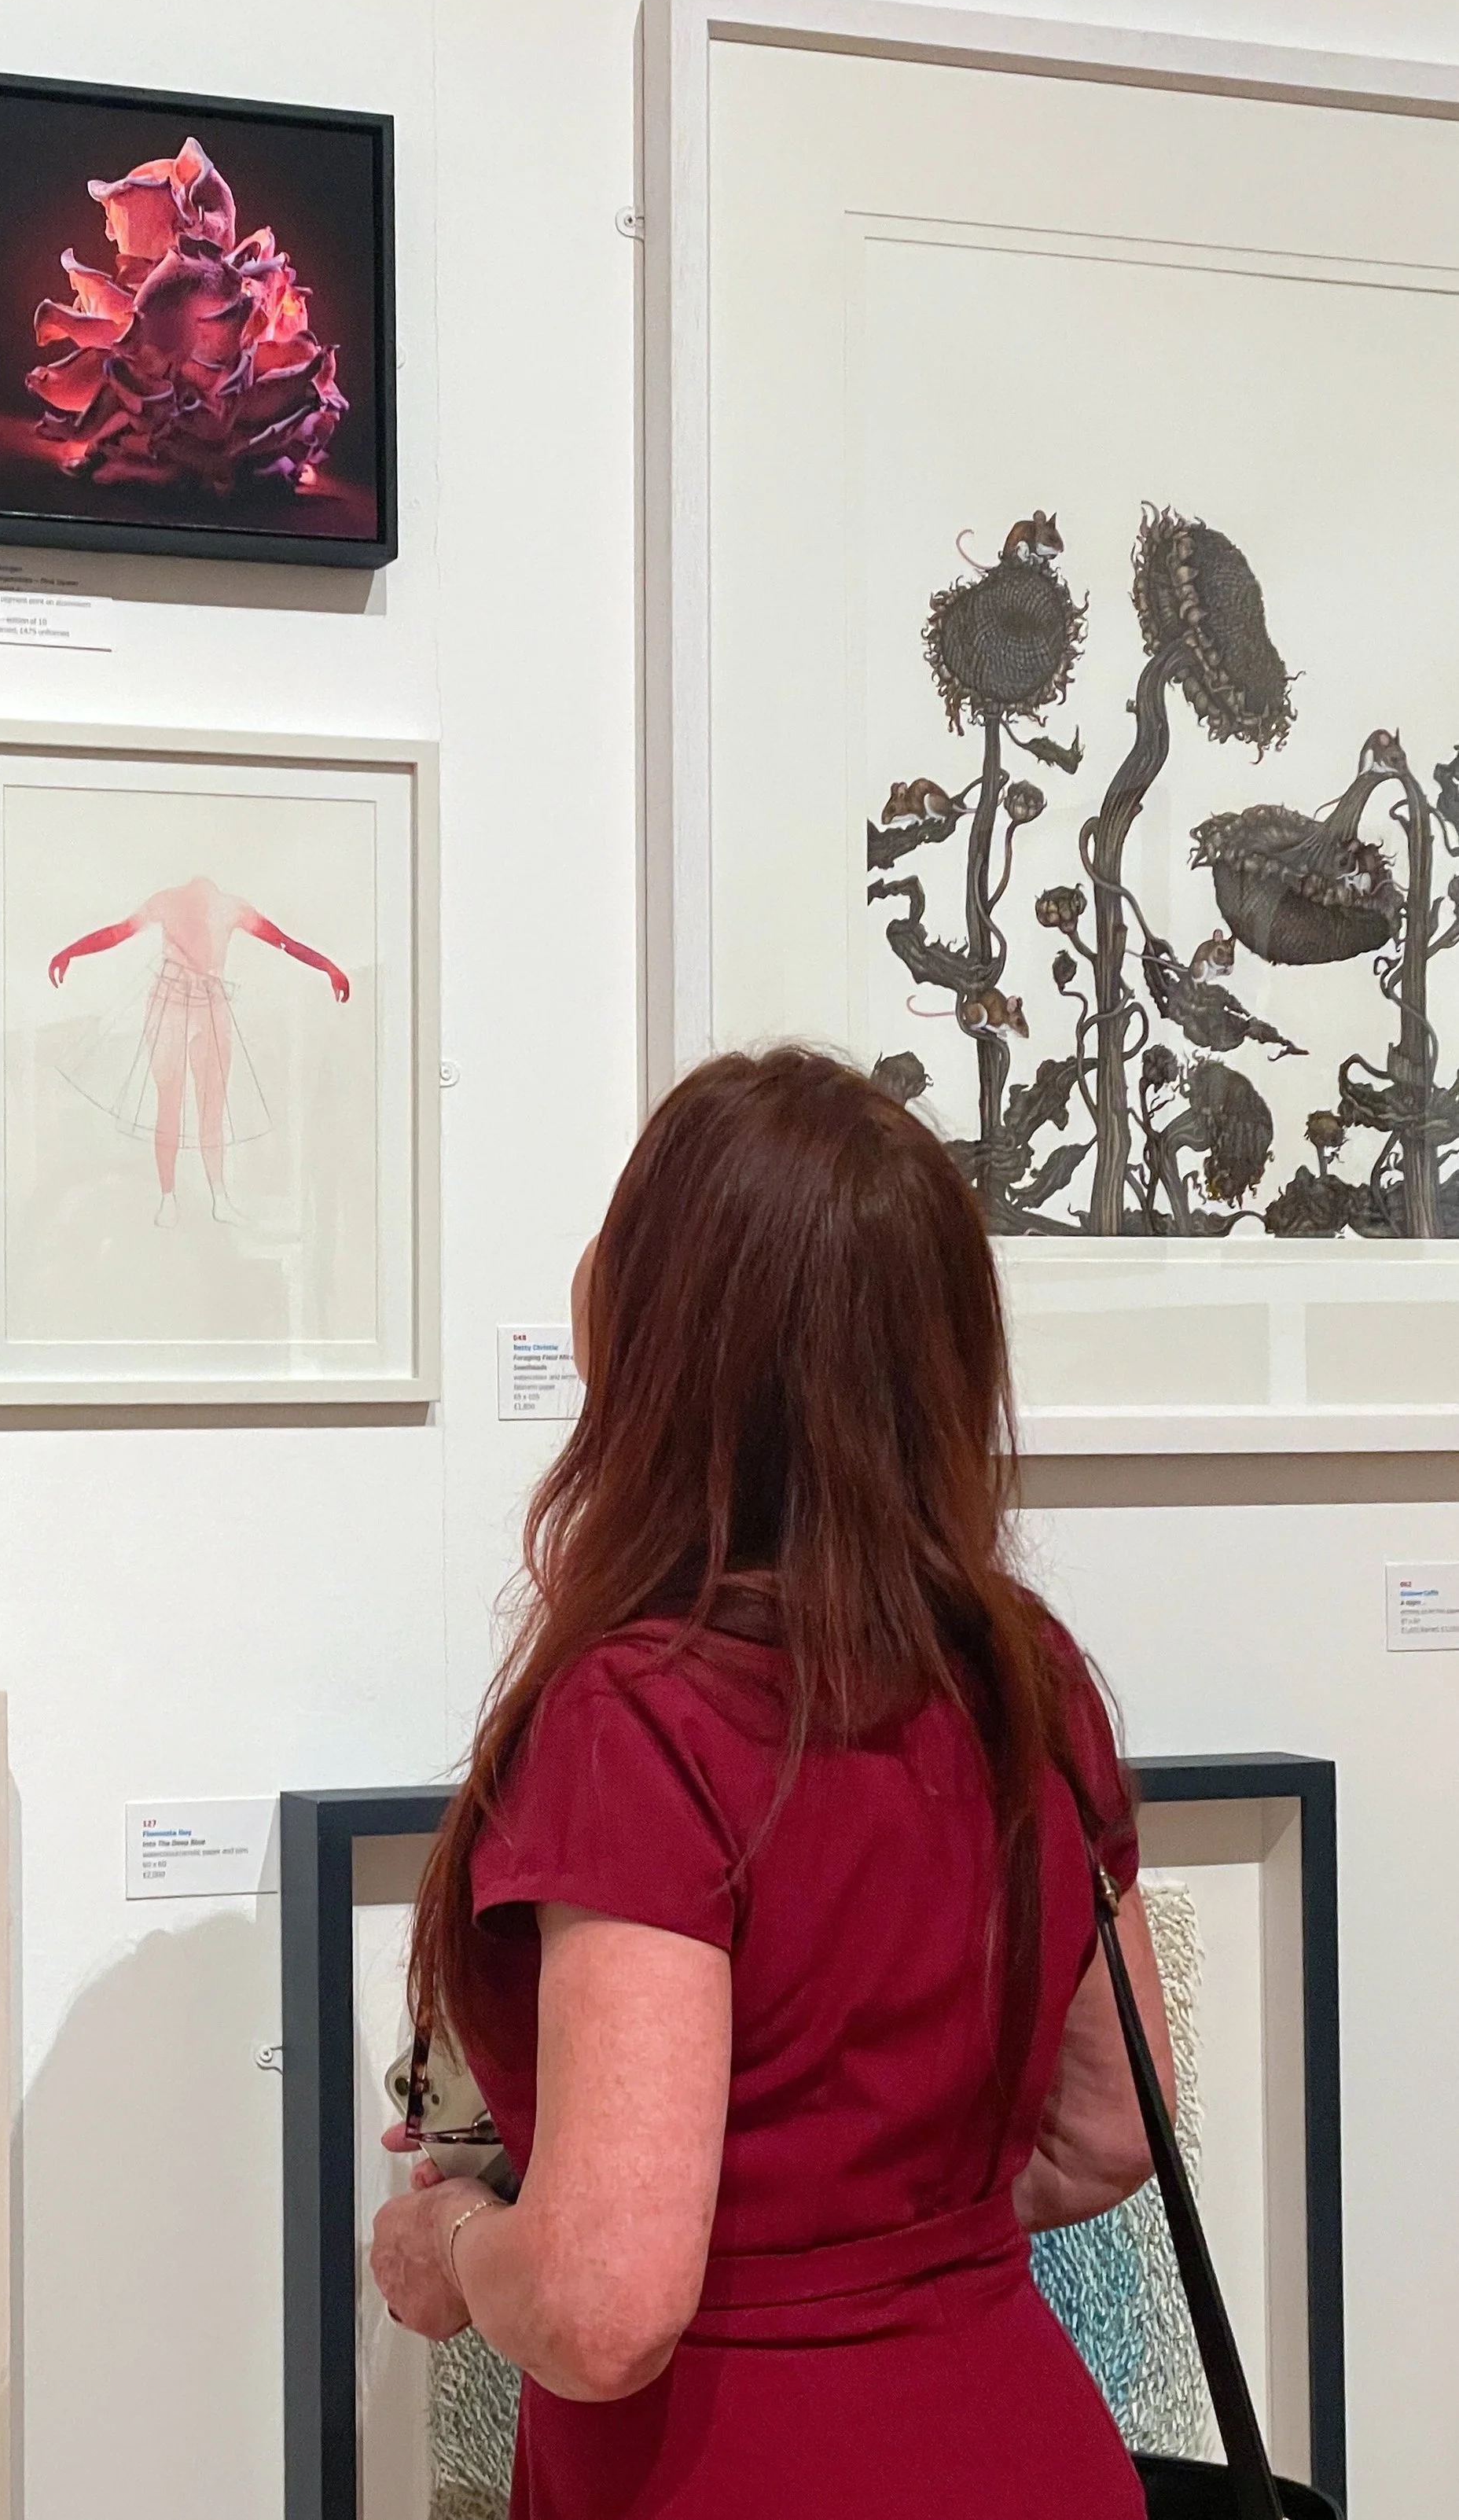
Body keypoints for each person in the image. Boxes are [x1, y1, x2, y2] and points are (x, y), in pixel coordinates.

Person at [370, 1046, 1172, 2518]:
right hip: (1025, 2443)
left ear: (667, 1336)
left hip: (733, 2469)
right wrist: (899, 2251)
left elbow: (606, 2309)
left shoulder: (644, 1719)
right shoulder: (1028, 1672)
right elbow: (1114, 2129)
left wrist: (466, 2246)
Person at [47, 874, 347, 1224]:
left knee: (210, 1108)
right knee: (171, 1106)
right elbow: (116, 934)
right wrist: (70, 951)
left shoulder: (229, 907)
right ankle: (170, 1198)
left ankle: (215, 1197)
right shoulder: (175, 901)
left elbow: (282, 942)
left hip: (208, 1007)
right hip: (171, 1005)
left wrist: (328, 967)